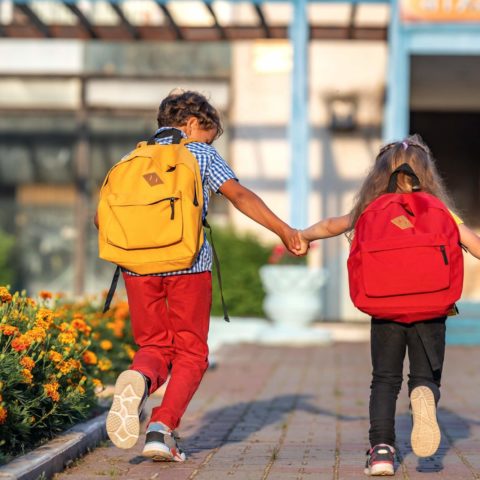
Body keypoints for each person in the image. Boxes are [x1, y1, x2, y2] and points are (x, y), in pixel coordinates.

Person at [97, 90, 301, 462]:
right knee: (191, 352)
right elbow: (239, 196)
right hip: (187, 264)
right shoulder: (200, 153)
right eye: (208, 133)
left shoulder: (131, 158)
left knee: (153, 347)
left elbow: (101, 219)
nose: (208, 141)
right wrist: (284, 231)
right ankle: (161, 429)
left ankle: (139, 380)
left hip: (136, 268)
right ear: (192, 124)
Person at [297, 134, 480, 476]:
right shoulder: (440, 211)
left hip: (385, 306)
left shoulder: (369, 209)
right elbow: (476, 246)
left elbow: (329, 226)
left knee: (384, 379)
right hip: (432, 305)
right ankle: (423, 392)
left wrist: (302, 237)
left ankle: (381, 450)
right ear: (427, 175)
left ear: (379, 175)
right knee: (424, 375)